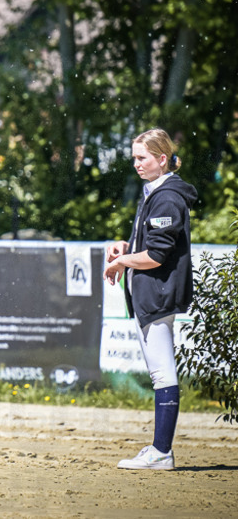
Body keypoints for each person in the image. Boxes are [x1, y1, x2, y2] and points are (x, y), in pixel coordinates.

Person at [104, 128, 198, 471]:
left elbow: (157, 256)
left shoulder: (167, 197)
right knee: (161, 373)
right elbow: (153, 244)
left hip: (158, 293)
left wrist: (122, 262)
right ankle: (160, 450)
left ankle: (161, 452)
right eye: (134, 158)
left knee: (162, 374)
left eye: (142, 158)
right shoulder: (155, 192)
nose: (136, 164)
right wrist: (127, 247)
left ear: (162, 158)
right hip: (152, 293)